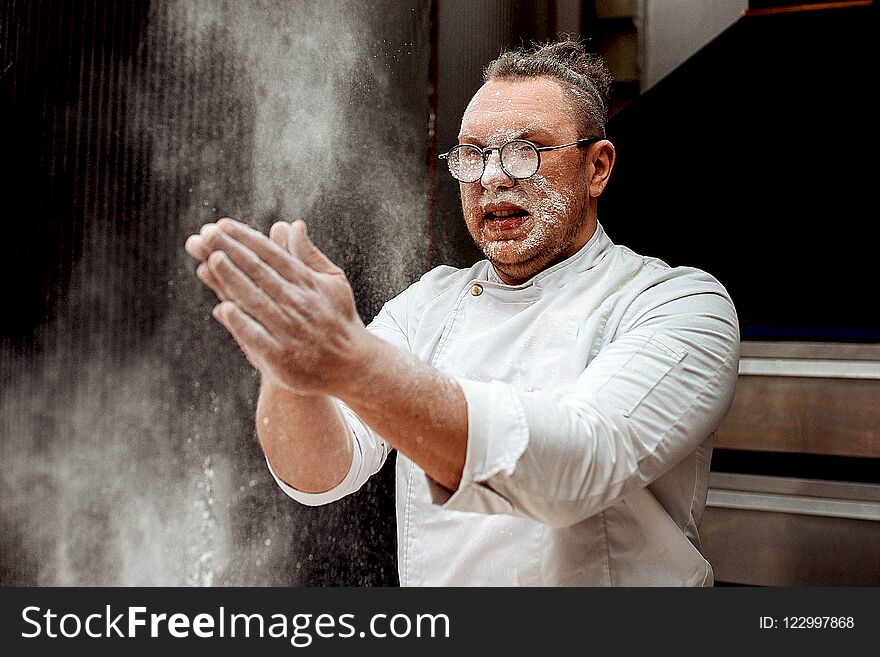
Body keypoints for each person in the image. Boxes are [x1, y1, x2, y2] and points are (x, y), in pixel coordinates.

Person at [185, 39, 740, 586]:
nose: (493, 178)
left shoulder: (678, 305)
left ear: (597, 167)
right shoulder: (430, 304)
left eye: (527, 151)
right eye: (473, 155)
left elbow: (577, 469)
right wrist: (288, 369)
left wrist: (349, 363)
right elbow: (320, 476)